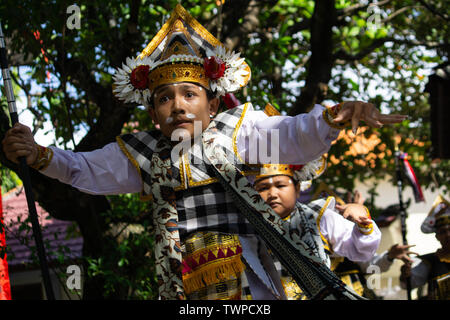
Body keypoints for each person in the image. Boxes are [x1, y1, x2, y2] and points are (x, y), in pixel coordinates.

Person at [1, 4, 406, 300]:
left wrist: (331, 119)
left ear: (213, 105)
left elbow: (290, 134)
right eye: (163, 98)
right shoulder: (142, 152)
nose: (177, 105)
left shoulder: (238, 132)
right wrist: (37, 154)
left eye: (190, 94)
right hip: (181, 287)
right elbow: (81, 168)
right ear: (152, 112)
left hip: (250, 285)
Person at [253, 163, 381, 299]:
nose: (272, 194)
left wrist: (361, 223)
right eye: (263, 188)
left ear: (297, 188)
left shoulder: (319, 216)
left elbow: (360, 251)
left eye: (280, 186)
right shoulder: (246, 228)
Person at [400, 196, 450, 300]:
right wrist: (406, 274)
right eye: (443, 232)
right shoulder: (429, 262)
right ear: (437, 236)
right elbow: (408, 284)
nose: (448, 235)